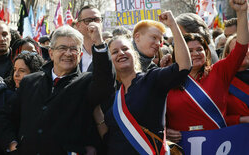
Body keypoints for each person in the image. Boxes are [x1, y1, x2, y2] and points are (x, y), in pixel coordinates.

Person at [0, 25, 115, 154]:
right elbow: (6, 117)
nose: (68, 53)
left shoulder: (86, 83)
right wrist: (12, 144)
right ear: (51, 53)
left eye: (74, 49)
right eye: (62, 48)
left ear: (80, 55)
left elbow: (105, 82)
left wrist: (99, 43)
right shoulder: (29, 82)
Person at [102, 11, 191, 154]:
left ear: (134, 54)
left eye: (125, 49)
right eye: (114, 52)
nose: (121, 53)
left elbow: (183, 67)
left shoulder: (152, 79)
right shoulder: (113, 94)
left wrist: (173, 26)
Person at [166, 0, 249, 143]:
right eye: (189, 51)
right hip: (181, 147)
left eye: (199, 49)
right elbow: (153, 115)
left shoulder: (218, 72)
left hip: (219, 144)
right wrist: (165, 131)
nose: (196, 53)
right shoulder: (166, 78)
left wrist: (241, 13)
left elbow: (241, 48)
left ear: (207, 52)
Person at [221, 34, 249, 122]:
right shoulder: (220, 79)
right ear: (227, 55)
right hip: (236, 133)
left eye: (246, 48)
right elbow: (215, 117)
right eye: (237, 49)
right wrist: (241, 119)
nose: (243, 51)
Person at [76, 5, 104, 72]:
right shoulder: (73, 52)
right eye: (88, 21)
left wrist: (99, 43)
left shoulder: (112, 51)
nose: (93, 24)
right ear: (78, 26)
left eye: (97, 20)